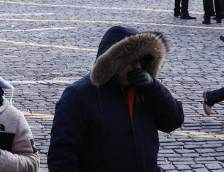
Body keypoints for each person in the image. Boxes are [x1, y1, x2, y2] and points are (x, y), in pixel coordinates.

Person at [48, 26, 184, 170]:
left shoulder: (145, 90)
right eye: (131, 61)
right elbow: (62, 157)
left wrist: (154, 89)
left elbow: (174, 121)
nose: (138, 67)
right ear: (112, 63)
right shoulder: (78, 96)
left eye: (141, 61)